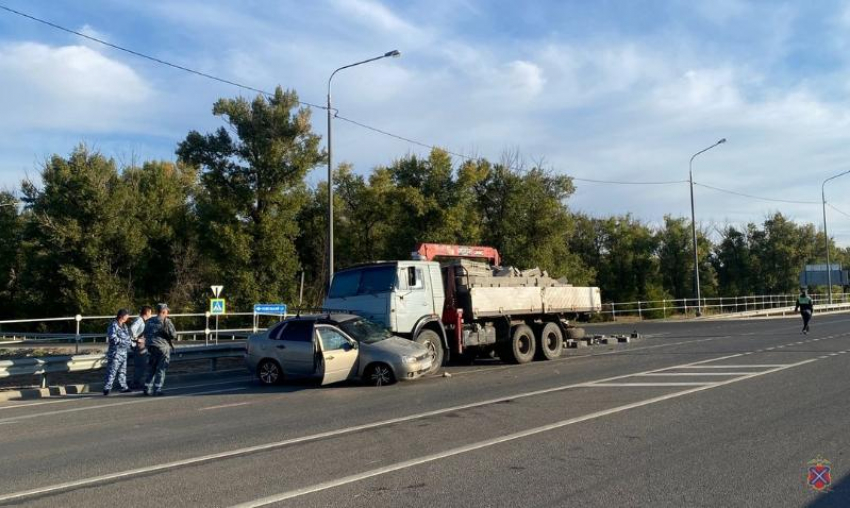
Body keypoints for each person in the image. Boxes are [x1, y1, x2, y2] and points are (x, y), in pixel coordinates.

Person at [143, 303, 177, 396]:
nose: (167, 313)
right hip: (162, 348)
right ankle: (157, 389)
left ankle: (147, 387)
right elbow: (173, 335)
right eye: (167, 311)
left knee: (152, 368)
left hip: (151, 347)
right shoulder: (167, 321)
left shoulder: (149, 321)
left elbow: (145, 333)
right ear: (163, 311)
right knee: (161, 369)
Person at [103, 309, 134, 395]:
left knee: (123, 371)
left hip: (124, 352)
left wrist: (131, 342)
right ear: (121, 316)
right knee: (112, 370)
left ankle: (124, 387)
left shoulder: (124, 326)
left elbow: (128, 337)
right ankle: (107, 388)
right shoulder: (113, 325)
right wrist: (124, 341)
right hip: (115, 352)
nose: (128, 316)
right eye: (127, 315)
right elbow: (113, 338)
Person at [129, 305, 153, 390]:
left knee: (141, 365)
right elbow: (131, 330)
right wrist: (137, 339)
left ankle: (136, 382)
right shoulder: (139, 320)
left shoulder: (142, 321)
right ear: (147, 312)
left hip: (142, 346)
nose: (151, 314)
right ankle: (135, 383)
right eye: (150, 313)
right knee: (140, 366)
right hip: (139, 346)